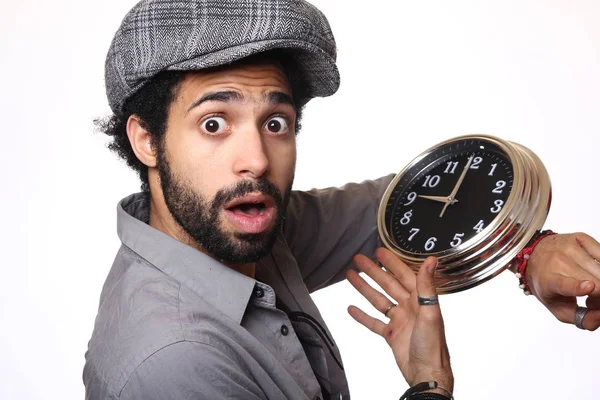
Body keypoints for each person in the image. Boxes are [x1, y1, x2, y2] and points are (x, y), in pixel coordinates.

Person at [83, 0, 600, 399]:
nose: (257, 160)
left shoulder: (245, 228)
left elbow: (416, 202)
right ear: (147, 140)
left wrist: (529, 251)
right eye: (214, 124)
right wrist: (428, 385)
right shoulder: (177, 362)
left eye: (275, 123)